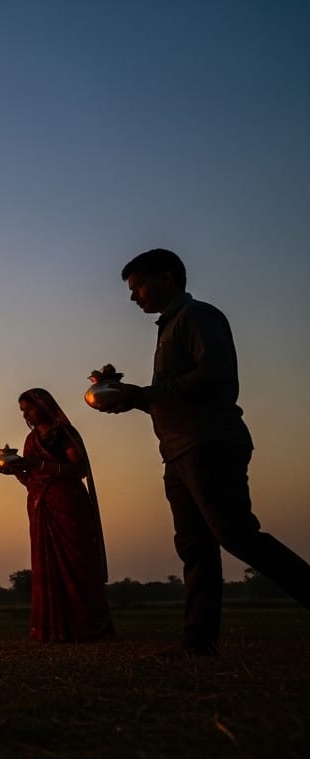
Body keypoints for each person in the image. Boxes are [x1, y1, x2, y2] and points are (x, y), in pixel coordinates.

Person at [95, 248, 310, 656]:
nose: (133, 296)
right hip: (178, 450)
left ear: (167, 278)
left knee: (238, 536)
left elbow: (215, 375)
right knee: (194, 546)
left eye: (138, 285)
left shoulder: (199, 317)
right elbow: (171, 391)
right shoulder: (170, 326)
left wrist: (142, 394)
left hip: (208, 441)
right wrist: (127, 393)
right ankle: (197, 642)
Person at [0, 388, 114, 642]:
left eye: (29, 408)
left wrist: (37, 465)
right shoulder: (31, 441)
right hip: (41, 505)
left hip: (68, 503)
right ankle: (54, 628)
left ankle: (89, 626)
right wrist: (17, 470)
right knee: (47, 565)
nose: (26, 414)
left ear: (44, 405)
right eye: (22, 411)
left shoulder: (64, 433)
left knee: (78, 562)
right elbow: (32, 480)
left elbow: (79, 468)